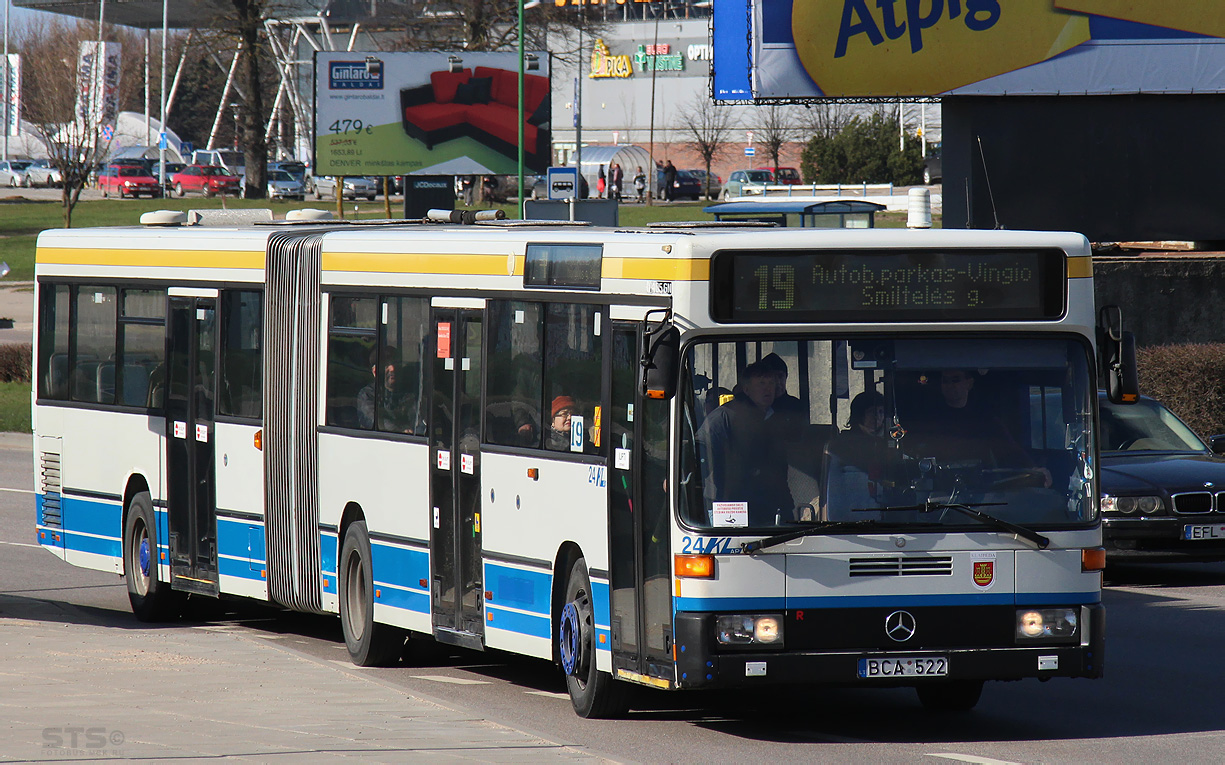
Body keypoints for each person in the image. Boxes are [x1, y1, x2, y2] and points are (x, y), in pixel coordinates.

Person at [696, 361, 795, 526]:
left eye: (771, 383)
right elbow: (701, 451)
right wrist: (682, 474)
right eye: (761, 383)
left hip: (771, 506)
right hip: (732, 506)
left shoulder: (777, 417)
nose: (767, 388)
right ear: (746, 389)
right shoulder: (724, 417)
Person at [356, 347, 417, 433]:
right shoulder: (367, 394)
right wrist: (400, 431)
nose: (392, 369)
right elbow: (375, 421)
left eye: (395, 363)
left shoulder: (409, 394)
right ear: (375, 371)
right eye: (386, 365)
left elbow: (417, 418)